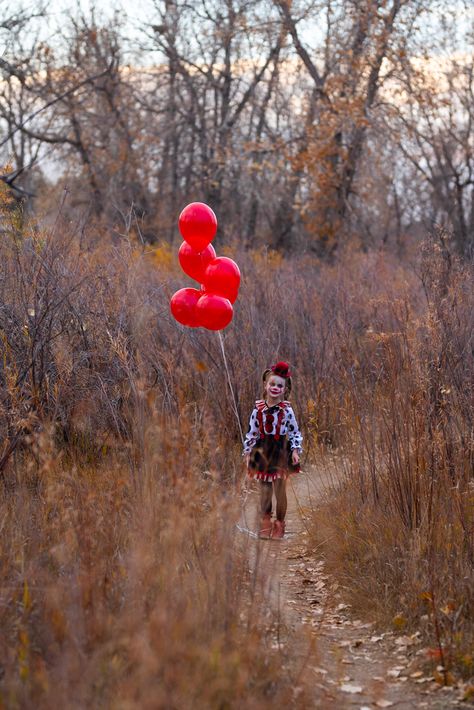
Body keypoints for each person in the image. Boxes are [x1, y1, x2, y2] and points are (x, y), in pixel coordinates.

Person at [243, 361, 303, 539]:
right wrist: (247, 452)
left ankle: (279, 525)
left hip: (280, 451)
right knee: (265, 489)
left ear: (285, 389)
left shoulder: (287, 410)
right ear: (265, 385)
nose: (275, 388)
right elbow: (252, 432)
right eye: (272, 384)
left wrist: (295, 451)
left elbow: (294, 432)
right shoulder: (258, 410)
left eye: (279, 385)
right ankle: (265, 522)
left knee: (279, 489)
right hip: (262, 451)